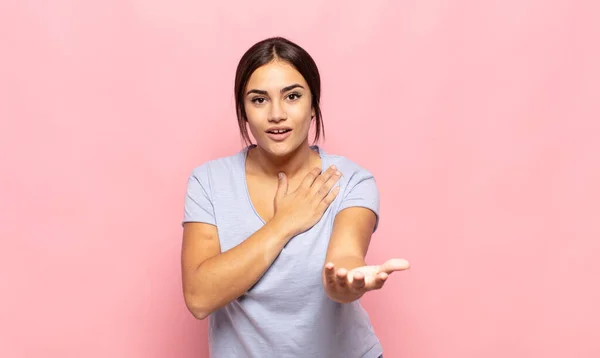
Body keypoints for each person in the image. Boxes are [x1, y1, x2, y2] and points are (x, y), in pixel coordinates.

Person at [180, 36, 410, 358]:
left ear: (314, 105)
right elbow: (199, 297)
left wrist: (347, 282)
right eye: (259, 100)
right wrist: (284, 223)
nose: (277, 114)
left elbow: (344, 258)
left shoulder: (352, 181)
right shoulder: (208, 181)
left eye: (292, 96)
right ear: (243, 112)